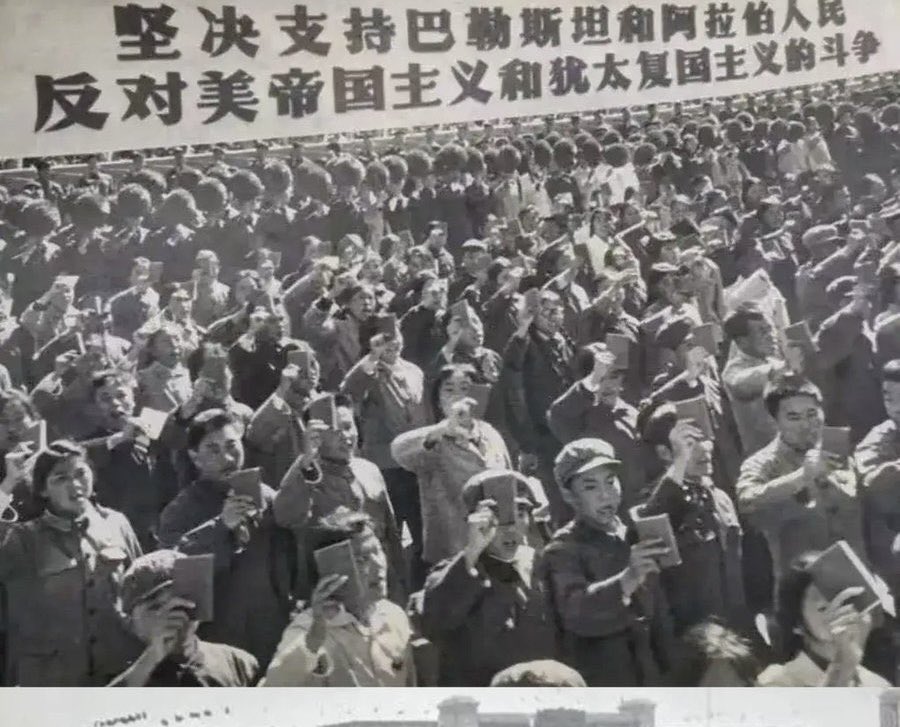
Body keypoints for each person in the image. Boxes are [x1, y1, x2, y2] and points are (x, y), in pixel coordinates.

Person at [156, 409, 296, 670]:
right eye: (213, 449)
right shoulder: (180, 511)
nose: (228, 457)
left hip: (271, 629)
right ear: (195, 458)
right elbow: (173, 572)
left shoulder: (265, 496)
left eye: (232, 445)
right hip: (219, 640)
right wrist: (221, 526)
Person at [0, 440, 143, 685]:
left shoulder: (116, 523)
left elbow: (142, 589)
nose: (75, 485)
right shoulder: (23, 539)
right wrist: (9, 484)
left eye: (80, 473)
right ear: (43, 489)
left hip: (117, 670)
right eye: (60, 478)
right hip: (52, 679)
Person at [541, 438, 675, 686]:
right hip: (603, 680)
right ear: (569, 495)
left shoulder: (629, 534)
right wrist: (627, 579)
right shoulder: (563, 550)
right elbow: (576, 611)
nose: (606, 495)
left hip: (650, 676)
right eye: (590, 487)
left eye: (611, 482)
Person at [736, 375, 866, 603]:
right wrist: (801, 477)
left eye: (812, 414)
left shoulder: (838, 450)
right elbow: (746, 500)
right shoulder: (762, 463)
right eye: (793, 417)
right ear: (775, 422)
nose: (806, 425)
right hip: (804, 596)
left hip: (858, 584)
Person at [418, 469, 555, 686]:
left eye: (519, 514)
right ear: (472, 523)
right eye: (496, 517)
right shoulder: (458, 572)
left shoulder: (540, 568)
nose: (509, 528)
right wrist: (472, 552)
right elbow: (435, 621)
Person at [274, 393, 406, 603]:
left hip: (379, 579)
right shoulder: (307, 475)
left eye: (349, 426)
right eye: (335, 431)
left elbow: (391, 534)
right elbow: (284, 515)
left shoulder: (368, 470)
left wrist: (400, 582)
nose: (346, 435)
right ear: (315, 436)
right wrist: (306, 460)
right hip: (335, 588)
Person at [261, 508, 415, 686]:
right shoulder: (310, 629)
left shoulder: (394, 616)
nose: (378, 564)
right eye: (361, 559)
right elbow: (275, 689)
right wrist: (313, 640)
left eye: (378, 551)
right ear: (331, 568)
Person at [391, 365, 512, 572]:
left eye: (465, 388)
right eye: (449, 390)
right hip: (453, 548)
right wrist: (443, 429)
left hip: (496, 544)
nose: (458, 396)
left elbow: (510, 480)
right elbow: (399, 450)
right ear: (438, 400)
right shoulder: (434, 439)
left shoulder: (490, 434)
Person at [110, 549, 260, 686]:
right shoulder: (121, 673)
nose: (173, 613)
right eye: (156, 606)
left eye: (182, 599)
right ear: (131, 622)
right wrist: (153, 656)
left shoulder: (238, 664)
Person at [757, 551, 890, 686]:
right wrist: (844, 662)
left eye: (844, 601)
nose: (839, 612)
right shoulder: (776, 682)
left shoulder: (877, 684)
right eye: (823, 608)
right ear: (797, 624)